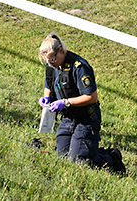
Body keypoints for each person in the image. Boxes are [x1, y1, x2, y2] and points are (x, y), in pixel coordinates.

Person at [38, 32, 125, 174]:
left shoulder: (79, 67)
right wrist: (46, 98)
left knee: (78, 161)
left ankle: (111, 159)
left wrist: (66, 102)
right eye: (46, 61)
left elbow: (92, 97)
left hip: (86, 119)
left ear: (61, 51)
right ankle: (91, 151)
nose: (50, 64)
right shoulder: (52, 66)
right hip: (67, 119)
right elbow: (48, 86)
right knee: (64, 158)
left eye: (52, 59)